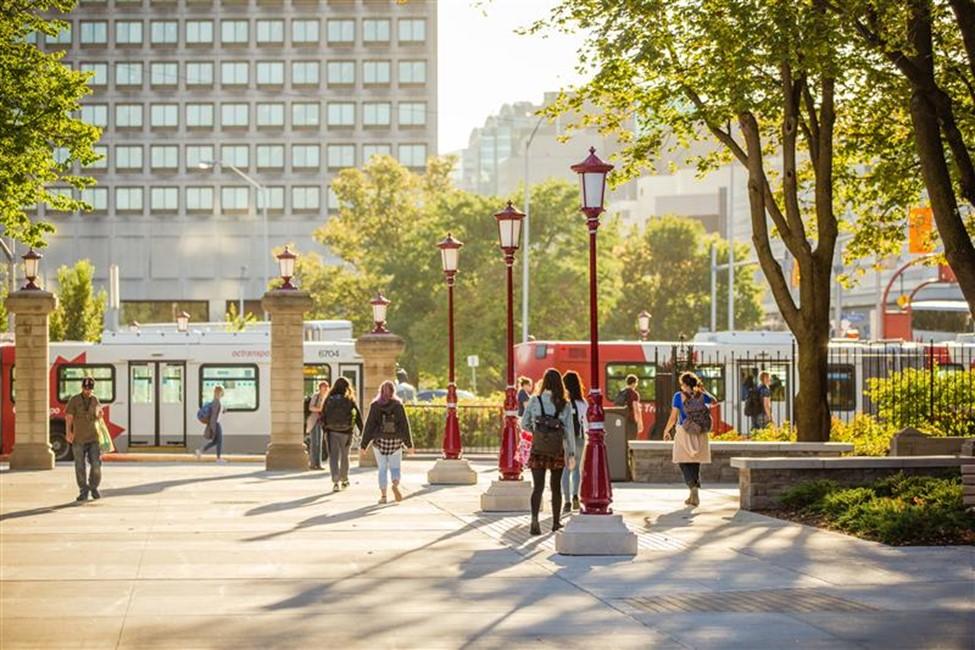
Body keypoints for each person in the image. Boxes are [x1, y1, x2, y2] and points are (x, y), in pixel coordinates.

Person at [520, 368, 577, 535]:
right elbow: (569, 432)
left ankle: (534, 520)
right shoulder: (565, 404)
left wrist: (538, 431)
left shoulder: (534, 400)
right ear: (560, 384)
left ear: (544, 382)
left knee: (538, 487)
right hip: (556, 450)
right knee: (556, 487)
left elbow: (524, 424)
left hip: (538, 448)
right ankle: (556, 523)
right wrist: (571, 453)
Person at [662, 371, 715, 507]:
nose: (681, 387)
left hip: (684, 431)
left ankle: (693, 487)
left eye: (682, 384)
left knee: (682, 461)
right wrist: (702, 390)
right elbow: (714, 401)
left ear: (685, 384)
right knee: (695, 462)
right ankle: (693, 493)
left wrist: (666, 430)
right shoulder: (702, 395)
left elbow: (673, 417)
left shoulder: (678, 396)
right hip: (700, 432)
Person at [360, 380, 414, 504]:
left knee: (382, 469)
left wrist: (364, 445)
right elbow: (404, 426)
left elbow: (369, 426)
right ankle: (395, 484)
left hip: (380, 442)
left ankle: (383, 496)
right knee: (395, 467)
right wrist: (409, 444)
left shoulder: (375, 405)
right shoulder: (398, 405)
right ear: (393, 391)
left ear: (381, 391)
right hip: (395, 442)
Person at [65, 376, 104, 502]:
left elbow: (98, 417)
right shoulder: (74, 400)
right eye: (86, 388)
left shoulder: (95, 400)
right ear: (82, 387)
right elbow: (69, 417)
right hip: (79, 439)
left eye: (90, 388)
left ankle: (93, 487)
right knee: (80, 466)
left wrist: (100, 415)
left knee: (96, 464)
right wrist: (68, 432)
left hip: (93, 438)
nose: (88, 390)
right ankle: (83, 490)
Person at [323, 377, 363, 493]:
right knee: (345, 456)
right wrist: (362, 430)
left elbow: (323, 415)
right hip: (346, 432)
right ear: (347, 387)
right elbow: (357, 415)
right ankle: (344, 479)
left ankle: (335, 481)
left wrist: (325, 429)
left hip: (331, 432)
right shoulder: (349, 399)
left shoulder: (329, 398)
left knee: (333, 457)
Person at [560, 370, 588, 514]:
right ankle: (576, 495)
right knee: (576, 468)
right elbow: (587, 422)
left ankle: (567, 501)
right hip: (580, 437)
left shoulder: (562, 403)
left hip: (566, 439)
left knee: (566, 468)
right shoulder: (582, 403)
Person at [195, 386, 225, 463]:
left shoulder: (216, 401)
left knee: (215, 441)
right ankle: (218, 458)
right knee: (219, 441)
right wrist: (213, 427)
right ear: (219, 392)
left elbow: (216, 413)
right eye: (222, 391)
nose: (223, 393)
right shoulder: (216, 402)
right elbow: (213, 416)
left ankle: (200, 451)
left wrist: (223, 411)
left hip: (216, 423)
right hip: (216, 424)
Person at [306, 381, 329, 469]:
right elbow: (310, 407)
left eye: (326, 387)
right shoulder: (316, 396)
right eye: (323, 387)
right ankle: (312, 464)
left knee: (319, 443)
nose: (325, 389)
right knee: (314, 443)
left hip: (321, 422)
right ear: (320, 388)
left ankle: (318, 464)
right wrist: (320, 409)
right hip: (314, 421)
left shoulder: (327, 397)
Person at [615, 374, 643, 440]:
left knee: (623, 438)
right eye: (636, 383)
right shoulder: (634, 394)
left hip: (622, 418)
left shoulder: (621, 392)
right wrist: (639, 422)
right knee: (631, 439)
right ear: (633, 383)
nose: (636, 385)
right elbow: (636, 409)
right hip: (631, 419)